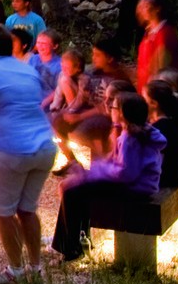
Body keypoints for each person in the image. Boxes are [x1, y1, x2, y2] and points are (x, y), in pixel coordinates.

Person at [0, 23, 58, 284]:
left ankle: (15, 271)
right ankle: (36, 269)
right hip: (44, 145)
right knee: (28, 210)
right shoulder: (28, 70)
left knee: (4, 212)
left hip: (13, 149)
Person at [49, 89, 168, 263]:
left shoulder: (130, 138)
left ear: (122, 113)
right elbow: (121, 166)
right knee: (74, 189)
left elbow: (126, 174)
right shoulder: (140, 131)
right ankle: (75, 241)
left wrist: (94, 174)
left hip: (135, 188)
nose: (109, 109)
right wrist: (94, 171)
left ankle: (72, 249)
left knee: (72, 192)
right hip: (141, 184)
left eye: (113, 107)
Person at [135, 0, 178, 94]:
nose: (141, 10)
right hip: (146, 92)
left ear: (157, 8)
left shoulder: (165, 33)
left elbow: (162, 68)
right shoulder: (148, 33)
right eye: (141, 6)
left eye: (146, 6)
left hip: (157, 94)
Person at [28, 29, 61, 96]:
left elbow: (59, 90)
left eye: (44, 43)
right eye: (38, 43)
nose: (40, 46)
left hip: (47, 100)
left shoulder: (60, 65)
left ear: (55, 46)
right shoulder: (33, 59)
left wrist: (43, 103)